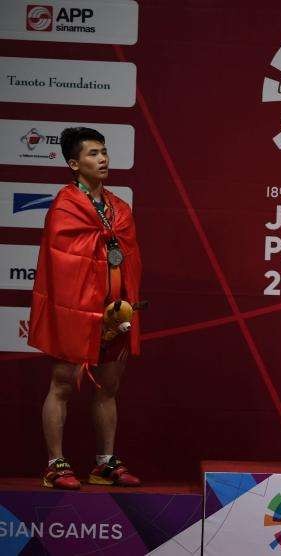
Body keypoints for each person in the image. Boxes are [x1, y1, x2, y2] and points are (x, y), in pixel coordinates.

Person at [28, 127, 142, 489]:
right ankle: (55, 464)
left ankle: (105, 464)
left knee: (108, 386)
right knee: (62, 383)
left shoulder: (119, 208)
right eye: (93, 153)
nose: (103, 158)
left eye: (104, 151)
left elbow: (128, 258)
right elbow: (61, 264)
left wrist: (121, 306)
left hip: (114, 313)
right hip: (77, 310)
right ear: (74, 163)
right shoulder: (65, 205)